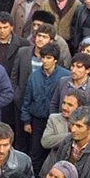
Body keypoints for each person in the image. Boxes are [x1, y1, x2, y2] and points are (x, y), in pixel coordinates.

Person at [22, 43, 70, 171]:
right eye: (43, 57)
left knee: (56, 153)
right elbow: (27, 99)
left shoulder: (65, 76)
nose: (45, 61)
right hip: (37, 120)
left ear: (55, 59)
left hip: (58, 121)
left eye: (48, 58)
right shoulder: (34, 76)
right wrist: (26, 120)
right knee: (35, 152)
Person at [49, 53, 90, 130]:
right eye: (73, 66)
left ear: (88, 70)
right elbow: (54, 105)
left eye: (79, 67)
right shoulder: (62, 82)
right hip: (62, 130)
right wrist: (55, 125)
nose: (74, 70)